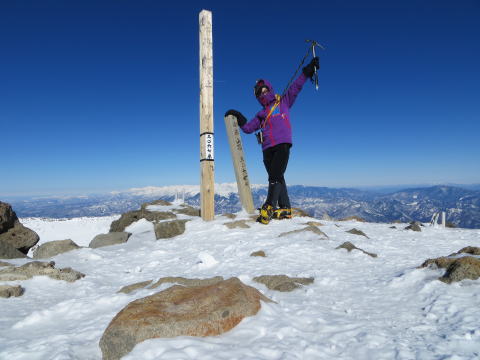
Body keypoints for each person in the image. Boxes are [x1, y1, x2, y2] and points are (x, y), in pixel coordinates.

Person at [225, 57, 319, 224]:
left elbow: (296, 87)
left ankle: (269, 205)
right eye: (259, 92)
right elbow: (247, 128)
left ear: (269, 88)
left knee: (274, 176)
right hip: (266, 149)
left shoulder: (283, 102)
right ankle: (285, 209)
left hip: (282, 144)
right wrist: (237, 115)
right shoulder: (261, 114)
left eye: (264, 89)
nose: (262, 93)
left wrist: (307, 71)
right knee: (278, 176)